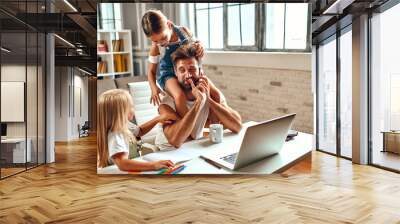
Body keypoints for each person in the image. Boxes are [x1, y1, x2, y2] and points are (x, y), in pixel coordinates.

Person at [155, 44, 242, 149]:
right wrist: (199, 103)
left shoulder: (208, 92)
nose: (188, 75)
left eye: (192, 69)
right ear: (176, 73)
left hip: (194, 149)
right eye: (182, 70)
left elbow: (237, 126)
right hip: (166, 152)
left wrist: (208, 99)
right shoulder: (168, 100)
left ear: (201, 71)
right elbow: (176, 141)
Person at [141, 9, 204, 119]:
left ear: (169, 25)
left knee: (210, 91)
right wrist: (153, 87)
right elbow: (151, 72)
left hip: (186, 71)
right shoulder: (155, 49)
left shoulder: (184, 32)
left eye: (163, 38)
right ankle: (187, 128)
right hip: (169, 75)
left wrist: (200, 46)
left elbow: (196, 45)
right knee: (179, 96)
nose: (162, 43)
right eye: (155, 41)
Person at [97, 89, 175, 171]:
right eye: (131, 106)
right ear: (121, 112)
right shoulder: (116, 135)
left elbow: (139, 131)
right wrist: (154, 165)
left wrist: (157, 119)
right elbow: (123, 164)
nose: (133, 109)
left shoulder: (124, 124)